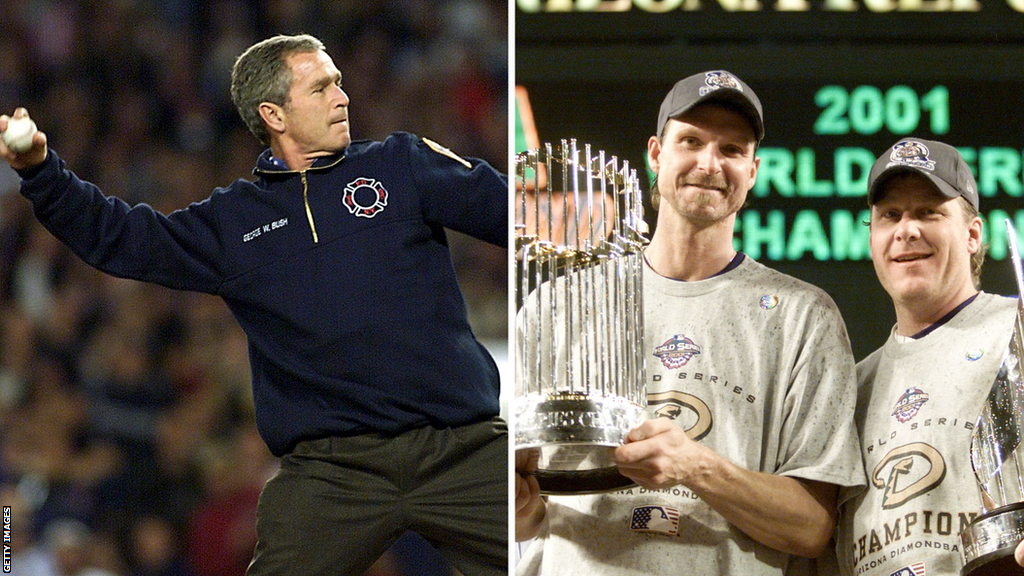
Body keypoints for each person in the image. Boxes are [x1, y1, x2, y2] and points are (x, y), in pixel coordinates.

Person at [0, 33, 508, 576]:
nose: (343, 98)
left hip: (461, 451)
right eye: (322, 88)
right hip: (332, 474)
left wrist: (570, 208)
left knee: (564, 552)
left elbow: (517, 215)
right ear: (275, 114)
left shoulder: (401, 164)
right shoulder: (233, 223)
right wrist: (40, 171)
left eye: (338, 82)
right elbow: (121, 238)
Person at [514, 70, 864, 575]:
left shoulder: (803, 315)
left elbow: (811, 527)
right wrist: (519, 509)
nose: (709, 163)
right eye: (692, 141)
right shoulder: (558, 304)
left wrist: (697, 467)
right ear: (656, 154)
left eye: (732, 149)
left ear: (754, 170)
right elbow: (528, 511)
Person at [832, 138, 1018, 576]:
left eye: (927, 212)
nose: (906, 230)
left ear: (973, 235)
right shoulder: (853, 388)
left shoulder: (1018, 330)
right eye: (890, 216)